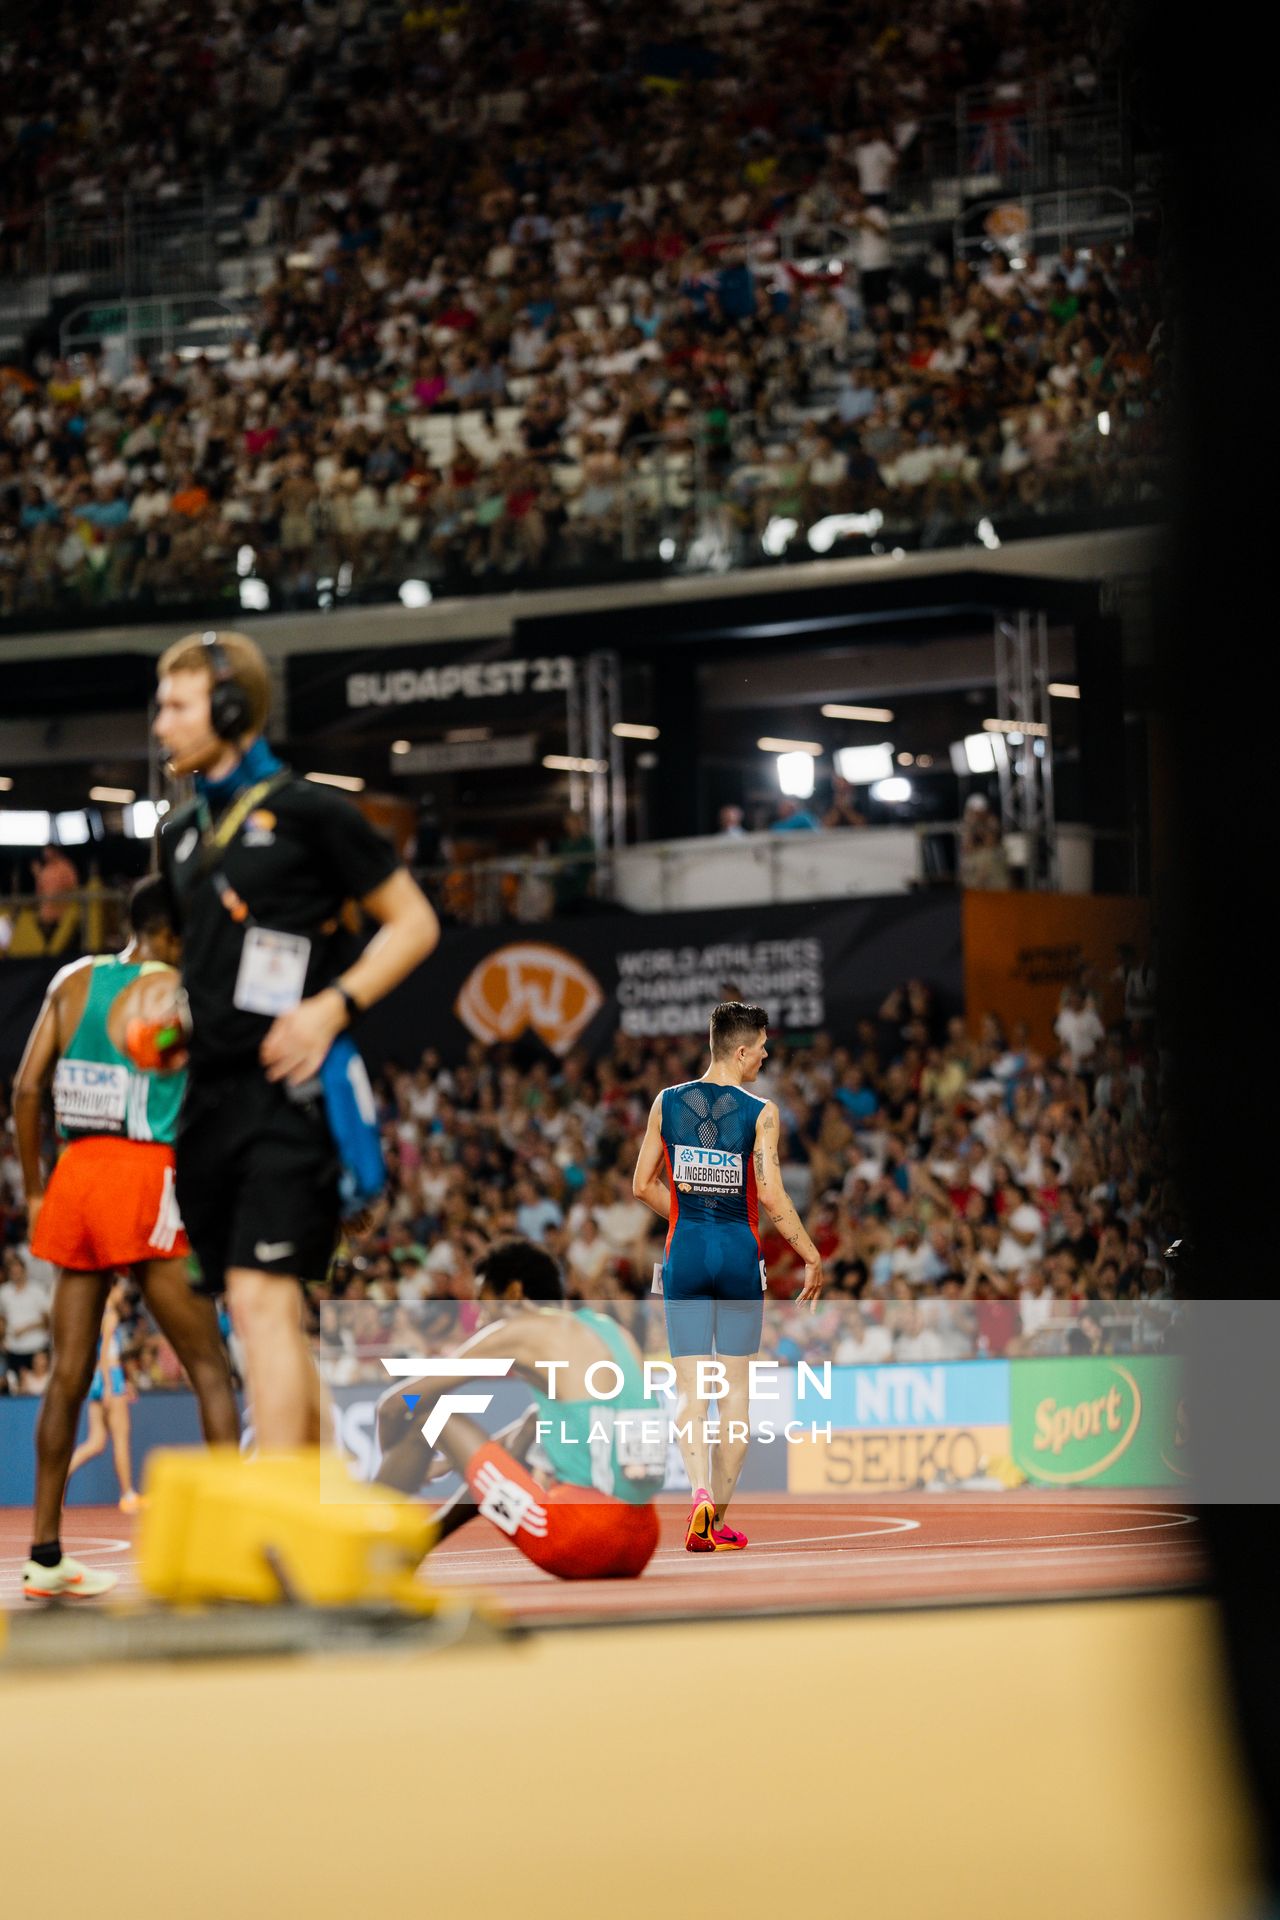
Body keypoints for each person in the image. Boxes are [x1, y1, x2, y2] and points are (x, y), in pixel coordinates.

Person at [153, 629, 440, 1448]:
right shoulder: (177, 835)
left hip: (292, 1097)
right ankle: (329, 1509)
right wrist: (179, 1022)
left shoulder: (312, 812)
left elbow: (413, 923)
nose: (160, 723)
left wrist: (330, 1007)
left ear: (233, 708)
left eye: (176, 705)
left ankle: (271, 1543)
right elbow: (199, 964)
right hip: (206, 1103)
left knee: (260, 1297)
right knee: (255, 1308)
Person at [12, 874, 240, 1600]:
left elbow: (24, 1089)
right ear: (174, 933)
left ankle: (45, 1555)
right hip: (146, 1173)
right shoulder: (181, 986)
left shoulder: (72, 980)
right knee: (210, 1366)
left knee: (69, 1375)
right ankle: (230, 1549)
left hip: (76, 1175)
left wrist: (36, 1185)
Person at [631, 1001, 823, 1552]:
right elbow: (770, 1192)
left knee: (691, 1393)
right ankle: (716, 1521)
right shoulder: (760, 1111)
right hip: (739, 1259)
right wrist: (809, 1252)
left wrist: (691, 1219)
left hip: (684, 1256)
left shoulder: (666, 1103)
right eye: (762, 1046)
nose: (766, 1054)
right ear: (740, 1052)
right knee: (735, 1395)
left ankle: (696, 1495)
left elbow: (641, 1185)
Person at [374, 1238, 662, 1580]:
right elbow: (529, 1435)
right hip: (642, 1541)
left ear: (512, 1292)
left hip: (581, 1537)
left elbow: (395, 1404)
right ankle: (421, 1543)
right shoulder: (610, 1330)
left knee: (425, 1416)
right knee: (532, 1423)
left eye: (483, 1303)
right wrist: (454, 1462)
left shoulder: (517, 1332)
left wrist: (399, 1451)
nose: (479, 1318)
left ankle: (366, 1542)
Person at [65, 1282, 138, 1510]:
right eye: (120, 1291)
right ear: (112, 1288)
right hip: (109, 1377)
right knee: (121, 1438)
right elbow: (106, 1352)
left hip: (97, 1377)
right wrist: (110, 1385)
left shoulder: (95, 1311)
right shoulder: (110, 1314)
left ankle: (57, 1483)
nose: (122, 1295)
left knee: (96, 1442)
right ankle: (127, 1494)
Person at [31, 843, 79, 935]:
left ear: (55, 852)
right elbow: (40, 891)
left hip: (62, 915)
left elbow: (72, 887)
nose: (45, 854)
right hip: (45, 915)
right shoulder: (45, 870)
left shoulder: (66, 867)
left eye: (48, 851)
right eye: (44, 852)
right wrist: (37, 874)